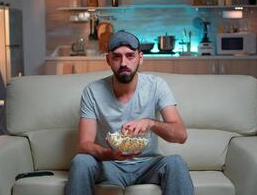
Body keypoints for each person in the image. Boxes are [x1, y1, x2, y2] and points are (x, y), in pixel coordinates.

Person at [65, 30, 194, 195]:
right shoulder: (92, 91)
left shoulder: (157, 85)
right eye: (117, 57)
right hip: (109, 165)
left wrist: (151, 122)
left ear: (141, 57)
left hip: (148, 164)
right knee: (80, 161)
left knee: (176, 162)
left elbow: (181, 135)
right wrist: (110, 154)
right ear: (108, 60)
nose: (123, 63)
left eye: (130, 55)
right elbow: (84, 144)